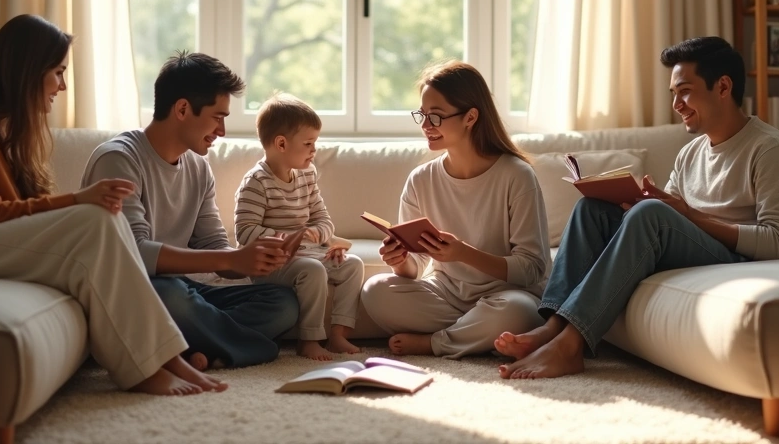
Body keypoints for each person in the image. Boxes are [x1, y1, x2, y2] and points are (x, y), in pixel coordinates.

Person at [0, 14, 225, 396]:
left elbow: (15, 219)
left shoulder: (13, 131)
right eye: (57, 72)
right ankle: (148, 367)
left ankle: (167, 358)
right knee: (93, 218)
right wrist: (76, 200)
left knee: (103, 221)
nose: (63, 85)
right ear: (27, 70)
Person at [497, 36, 779, 379]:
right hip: (707, 248)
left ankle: (569, 347)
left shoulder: (771, 152)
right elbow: (671, 217)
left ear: (723, 87)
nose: (677, 104)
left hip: (745, 260)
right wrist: (638, 202)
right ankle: (553, 327)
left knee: (652, 215)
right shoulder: (691, 152)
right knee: (592, 209)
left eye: (685, 91)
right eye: (674, 94)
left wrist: (681, 213)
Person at [80, 52, 300, 370]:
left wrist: (255, 260)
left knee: (283, 303)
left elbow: (214, 249)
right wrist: (230, 259)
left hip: (178, 288)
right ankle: (250, 348)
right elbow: (134, 255)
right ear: (182, 109)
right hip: (131, 289)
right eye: (217, 117)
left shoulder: (198, 168)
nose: (222, 130)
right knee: (171, 295)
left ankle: (186, 349)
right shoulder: (119, 160)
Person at [359, 61, 551, 358]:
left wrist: (463, 253)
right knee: (376, 290)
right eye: (422, 115)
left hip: (505, 296)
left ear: (470, 117)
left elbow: (531, 269)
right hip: (445, 295)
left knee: (516, 312)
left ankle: (437, 342)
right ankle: (474, 335)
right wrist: (399, 262)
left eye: (435, 117)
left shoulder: (517, 175)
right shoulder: (421, 179)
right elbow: (417, 266)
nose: (425, 126)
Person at [234, 92, 364, 360]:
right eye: (308, 143)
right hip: (272, 262)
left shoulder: (307, 173)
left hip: (307, 253)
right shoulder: (256, 182)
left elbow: (322, 217)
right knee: (313, 270)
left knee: (353, 265)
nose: (314, 150)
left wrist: (321, 236)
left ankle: (338, 335)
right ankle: (309, 340)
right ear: (281, 143)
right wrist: (288, 237)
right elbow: (245, 233)